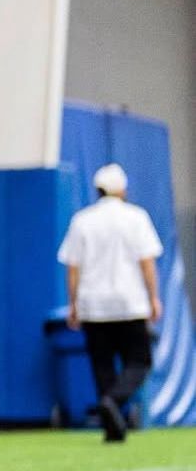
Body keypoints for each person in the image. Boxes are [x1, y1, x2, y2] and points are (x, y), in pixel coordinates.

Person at [57, 163, 164, 442]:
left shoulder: (82, 220)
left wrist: (73, 303)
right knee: (139, 361)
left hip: (93, 305)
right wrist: (153, 297)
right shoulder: (136, 217)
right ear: (122, 189)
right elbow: (147, 262)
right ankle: (114, 402)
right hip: (130, 302)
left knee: (101, 365)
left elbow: (73, 267)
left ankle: (111, 424)